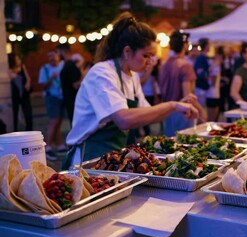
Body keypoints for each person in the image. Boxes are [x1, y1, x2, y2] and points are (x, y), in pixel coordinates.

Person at [64, 13, 199, 169]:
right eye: (146, 55)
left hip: (115, 157)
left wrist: (179, 105)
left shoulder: (132, 76)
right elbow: (123, 119)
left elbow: (147, 113)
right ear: (127, 51)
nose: (150, 62)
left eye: (152, 56)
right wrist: (171, 106)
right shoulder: (101, 73)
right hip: (88, 157)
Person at [158, 30, 206, 137]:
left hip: (166, 111)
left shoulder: (164, 65)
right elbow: (187, 96)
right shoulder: (185, 66)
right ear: (185, 45)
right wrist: (201, 111)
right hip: (182, 112)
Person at [38, 50, 67, 160]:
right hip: (51, 97)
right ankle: (48, 147)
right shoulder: (44, 69)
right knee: (53, 121)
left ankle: (59, 145)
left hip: (61, 97)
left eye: (54, 57)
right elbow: (43, 86)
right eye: (50, 58)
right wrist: (51, 78)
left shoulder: (62, 66)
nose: (53, 60)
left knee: (58, 122)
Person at [57, 44, 82, 125]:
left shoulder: (70, 66)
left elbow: (76, 84)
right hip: (69, 100)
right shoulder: (67, 65)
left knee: (75, 124)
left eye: (58, 52)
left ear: (63, 52)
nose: (57, 55)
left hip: (73, 100)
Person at [7, 53, 33, 132]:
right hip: (16, 94)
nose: (19, 60)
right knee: (15, 112)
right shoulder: (10, 69)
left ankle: (29, 129)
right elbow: (12, 76)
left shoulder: (22, 67)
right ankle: (15, 130)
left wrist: (28, 84)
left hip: (25, 93)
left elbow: (28, 77)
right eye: (17, 59)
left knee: (28, 113)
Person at [140, 58, 162, 136]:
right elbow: (142, 82)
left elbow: (155, 82)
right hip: (146, 93)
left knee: (156, 113)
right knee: (145, 114)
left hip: (154, 93)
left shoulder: (155, 68)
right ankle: (147, 132)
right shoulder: (139, 69)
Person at [194, 38, 211, 107]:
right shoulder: (201, 58)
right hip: (200, 88)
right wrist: (208, 75)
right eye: (209, 44)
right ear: (206, 46)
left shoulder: (203, 57)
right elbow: (200, 73)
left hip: (202, 87)